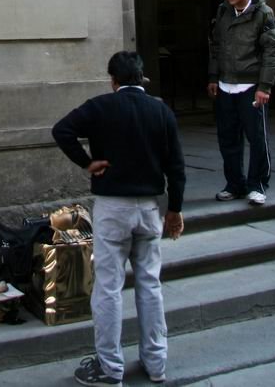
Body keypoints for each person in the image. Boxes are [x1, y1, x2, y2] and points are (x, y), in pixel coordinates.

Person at [52, 51, 185, 386]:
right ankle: (156, 362)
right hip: (148, 207)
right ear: (141, 78)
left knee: (108, 288)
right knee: (150, 284)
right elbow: (177, 167)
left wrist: (87, 162)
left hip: (113, 205)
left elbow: (62, 130)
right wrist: (175, 209)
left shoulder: (100, 106)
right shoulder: (161, 110)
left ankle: (110, 366)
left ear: (113, 80)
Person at [207, 0, 275, 205]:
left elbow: (274, 51)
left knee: (257, 138)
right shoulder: (223, 12)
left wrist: (265, 86)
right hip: (226, 84)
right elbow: (216, 45)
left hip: (251, 85)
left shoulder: (262, 13)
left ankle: (257, 185)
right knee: (228, 139)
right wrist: (213, 77)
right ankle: (234, 184)